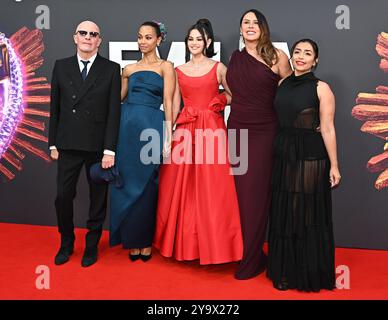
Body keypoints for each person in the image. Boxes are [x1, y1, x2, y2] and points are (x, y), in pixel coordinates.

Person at [153, 19, 243, 265]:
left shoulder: (218, 68)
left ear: (208, 42)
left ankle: (217, 245)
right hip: (185, 128)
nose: (194, 43)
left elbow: (234, 94)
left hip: (212, 129)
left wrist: (220, 102)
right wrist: (168, 134)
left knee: (212, 186)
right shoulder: (178, 70)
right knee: (181, 187)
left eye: (198, 39)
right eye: (190, 39)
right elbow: (171, 103)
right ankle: (182, 243)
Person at [267, 39, 340, 292]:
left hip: (310, 154)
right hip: (284, 152)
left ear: (315, 60)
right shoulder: (282, 84)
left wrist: (334, 166)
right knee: (285, 210)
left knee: (304, 212)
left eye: (307, 53)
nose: (300, 56)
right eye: (297, 52)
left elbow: (328, 128)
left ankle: (306, 272)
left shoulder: (322, 88)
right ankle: (286, 270)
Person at [48, 21, 121, 267]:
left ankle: (92, 244)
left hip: (98, 147)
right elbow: (55, 107)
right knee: (62, 196)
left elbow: (114, 112)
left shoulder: (111, 69)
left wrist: (110, 149)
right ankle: (66, 242)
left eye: (93, 34)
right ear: (75, 37)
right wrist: (53, 143)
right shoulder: (61, 66)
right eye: (83, 33)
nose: (88, 37)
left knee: (97, 198)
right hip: (67, 143)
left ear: (99, 40)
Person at [226, 9, 292, 279]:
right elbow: (232, 92)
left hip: (265, 132)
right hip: (237, 130)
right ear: (240, 29)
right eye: (246, 23)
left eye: (255, 22)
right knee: (239, 197)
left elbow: (289, 97)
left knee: (255, 197)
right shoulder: (235, 57)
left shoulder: (278, 57)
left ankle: (252, 260)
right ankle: (246, 252)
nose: (250, 26)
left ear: (264, 28)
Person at [109, 21, 175, 262]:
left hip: (152, 129)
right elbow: (117, 101)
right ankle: (132, 241)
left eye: (148, 37)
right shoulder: (128, 69)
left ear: (159, 40)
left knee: (148, 186)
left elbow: (168, 103)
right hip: (127, 131)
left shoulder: (166, 67)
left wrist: (169, 136)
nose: (143, 41)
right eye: (140, 37)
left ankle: (145, 241)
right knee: (127, 183)